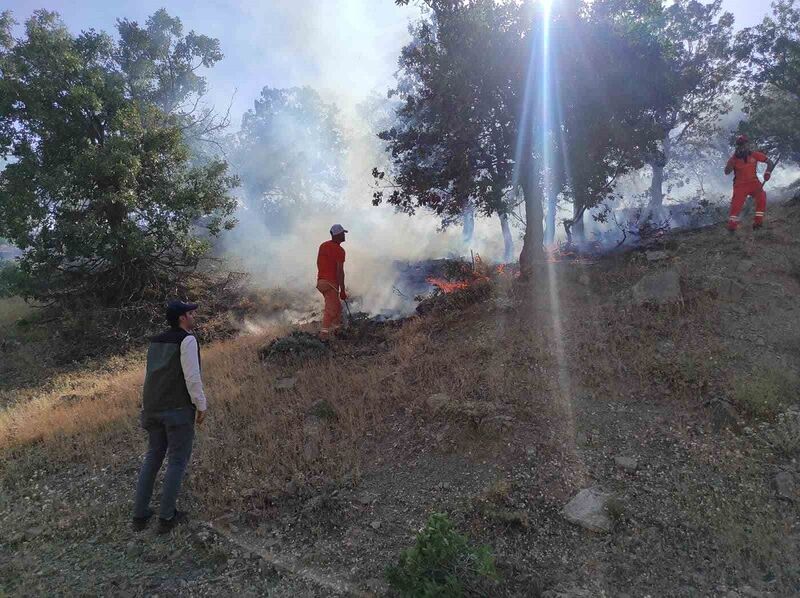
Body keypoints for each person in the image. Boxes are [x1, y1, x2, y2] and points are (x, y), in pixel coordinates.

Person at [132, 300, 208, 534]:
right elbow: (192, 377)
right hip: (176, 410)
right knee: (177, 460)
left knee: (153, 458)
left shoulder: (155, 341)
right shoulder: (187, 340)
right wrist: (201, 404)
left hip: (152, 408)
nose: (194, 315)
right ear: (182, 318)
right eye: (190, 313)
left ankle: (139, 515)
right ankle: (166, 517)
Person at [724, 135, 775, 231]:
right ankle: (732, 228)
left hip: (754, 183)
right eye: (740, 145)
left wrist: (767, 172)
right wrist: (732, 162)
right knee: (736, 206)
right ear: (737, 146)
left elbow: (770, 162)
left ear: (748, 144)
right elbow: (726, 172)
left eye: (744, 144)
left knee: (762, 198)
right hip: (740, 186)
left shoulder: (754, 155)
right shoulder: (733, 159)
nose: (743, 146)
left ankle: (758, 223)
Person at [316, 224, 348, 340]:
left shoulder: (323, 246)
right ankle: (323, 337)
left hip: (321, 281)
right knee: (331, 309)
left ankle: (337, 332)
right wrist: (343, 291)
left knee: (337, 308)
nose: (344, 235)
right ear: (338, 235)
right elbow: (340, 272)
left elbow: (320, 263)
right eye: (343, 233)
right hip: (330, 283)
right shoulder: (340, 251)